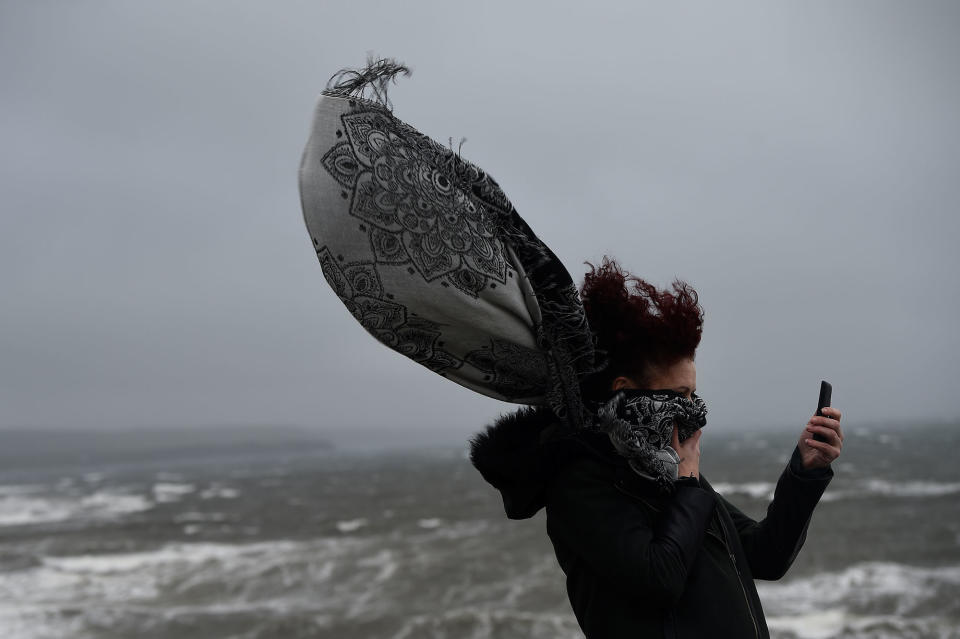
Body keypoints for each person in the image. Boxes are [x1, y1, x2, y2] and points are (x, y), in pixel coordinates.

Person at [470, 257, 843, 639]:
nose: (693, 408)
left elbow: (766, 555)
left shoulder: (666, 469)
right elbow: (658, 579)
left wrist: (806, 470)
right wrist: (686, 486)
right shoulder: (581, 481)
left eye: (694, 393)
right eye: (679, 394)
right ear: (624, 391)